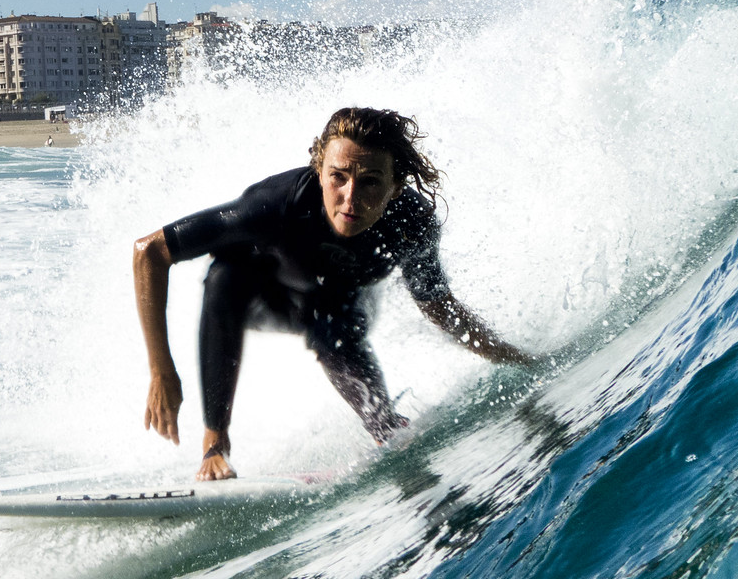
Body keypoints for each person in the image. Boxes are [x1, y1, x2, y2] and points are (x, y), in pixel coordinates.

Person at [134, 106, 534, 482]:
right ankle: (214, 442)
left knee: (333, 331)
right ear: (320, 170)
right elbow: (149, 251)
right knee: (224, 276)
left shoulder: (412, 222)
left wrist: (514, 358)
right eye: (338, 176)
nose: (350, 197)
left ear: (395, 187)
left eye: (371, 182)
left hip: (337, 307)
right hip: (265, 298)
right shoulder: (277, 203)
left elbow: (440, 309)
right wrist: (160, 371)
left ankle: (386, 428)